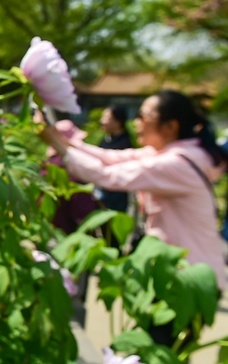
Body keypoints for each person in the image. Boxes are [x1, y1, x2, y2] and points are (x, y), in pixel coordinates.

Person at [37, 90, 227, 291]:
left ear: (170, 126)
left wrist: (56, 143)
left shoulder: (175, 164)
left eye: (142, 116)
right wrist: (63, 140)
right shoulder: (173, 154)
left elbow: (107, 175)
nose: (136, 122)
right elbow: (110, 158)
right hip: (181, 269)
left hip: (189, 277)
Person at [95, 105, 133, 213]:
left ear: (118, 122)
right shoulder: (105, 140)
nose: (102, 121)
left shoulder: (124, 144)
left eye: (107, 118)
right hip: (102, 193)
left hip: (116, 196)